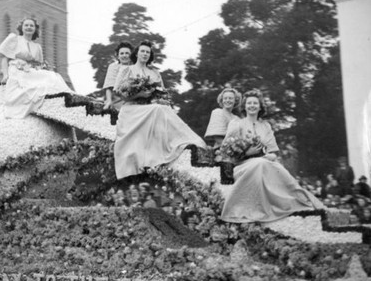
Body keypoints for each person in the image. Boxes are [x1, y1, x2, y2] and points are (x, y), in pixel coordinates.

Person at [220, 89, 323, 223]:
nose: (252, 106)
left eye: (255, 103)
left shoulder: (266, 126)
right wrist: (246, 153)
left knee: (280, 171)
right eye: (249, 103)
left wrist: (271, 156)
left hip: (264, 161)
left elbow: (272, 151)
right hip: (241, 164)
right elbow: (226, 150)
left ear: (260, 107)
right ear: (244, 106)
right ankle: (254, 210)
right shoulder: (236, 123)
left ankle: (297, 202)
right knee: (260, 164)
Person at [113, 40, 207, 179]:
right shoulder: (127, 70)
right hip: (132, 108)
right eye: (142, 51)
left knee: (163, 108)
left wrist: (158, 98)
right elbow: (118, 92)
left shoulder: (155, 73)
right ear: (137, 53)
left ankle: (186, 141)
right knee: (158, 109)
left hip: (151, 106)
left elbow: (162, 93)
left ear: (150, 55)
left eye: (147, 52)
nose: (145, 54)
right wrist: (139, 94)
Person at [0, 17, 73, 118]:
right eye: (26, 25)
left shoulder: (37, 47)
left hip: (31, 71)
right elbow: (4, 58)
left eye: (31, 26)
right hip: (17, 70)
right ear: (21, 28)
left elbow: (39, 66)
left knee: (53, 76)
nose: (29, 27)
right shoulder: (14, 39)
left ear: (35, 29)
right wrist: (5, 75)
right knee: (36, 86)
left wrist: (44, 67)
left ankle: (66, 97)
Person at [102, 42, 133, 110]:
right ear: (118, 56)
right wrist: (109, 100)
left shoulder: (135, 67)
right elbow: (109, 86)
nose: (124, 55)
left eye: (127, 53)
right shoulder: (113, 67)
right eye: (122, 53)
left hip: (133, 99)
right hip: (116, 99)